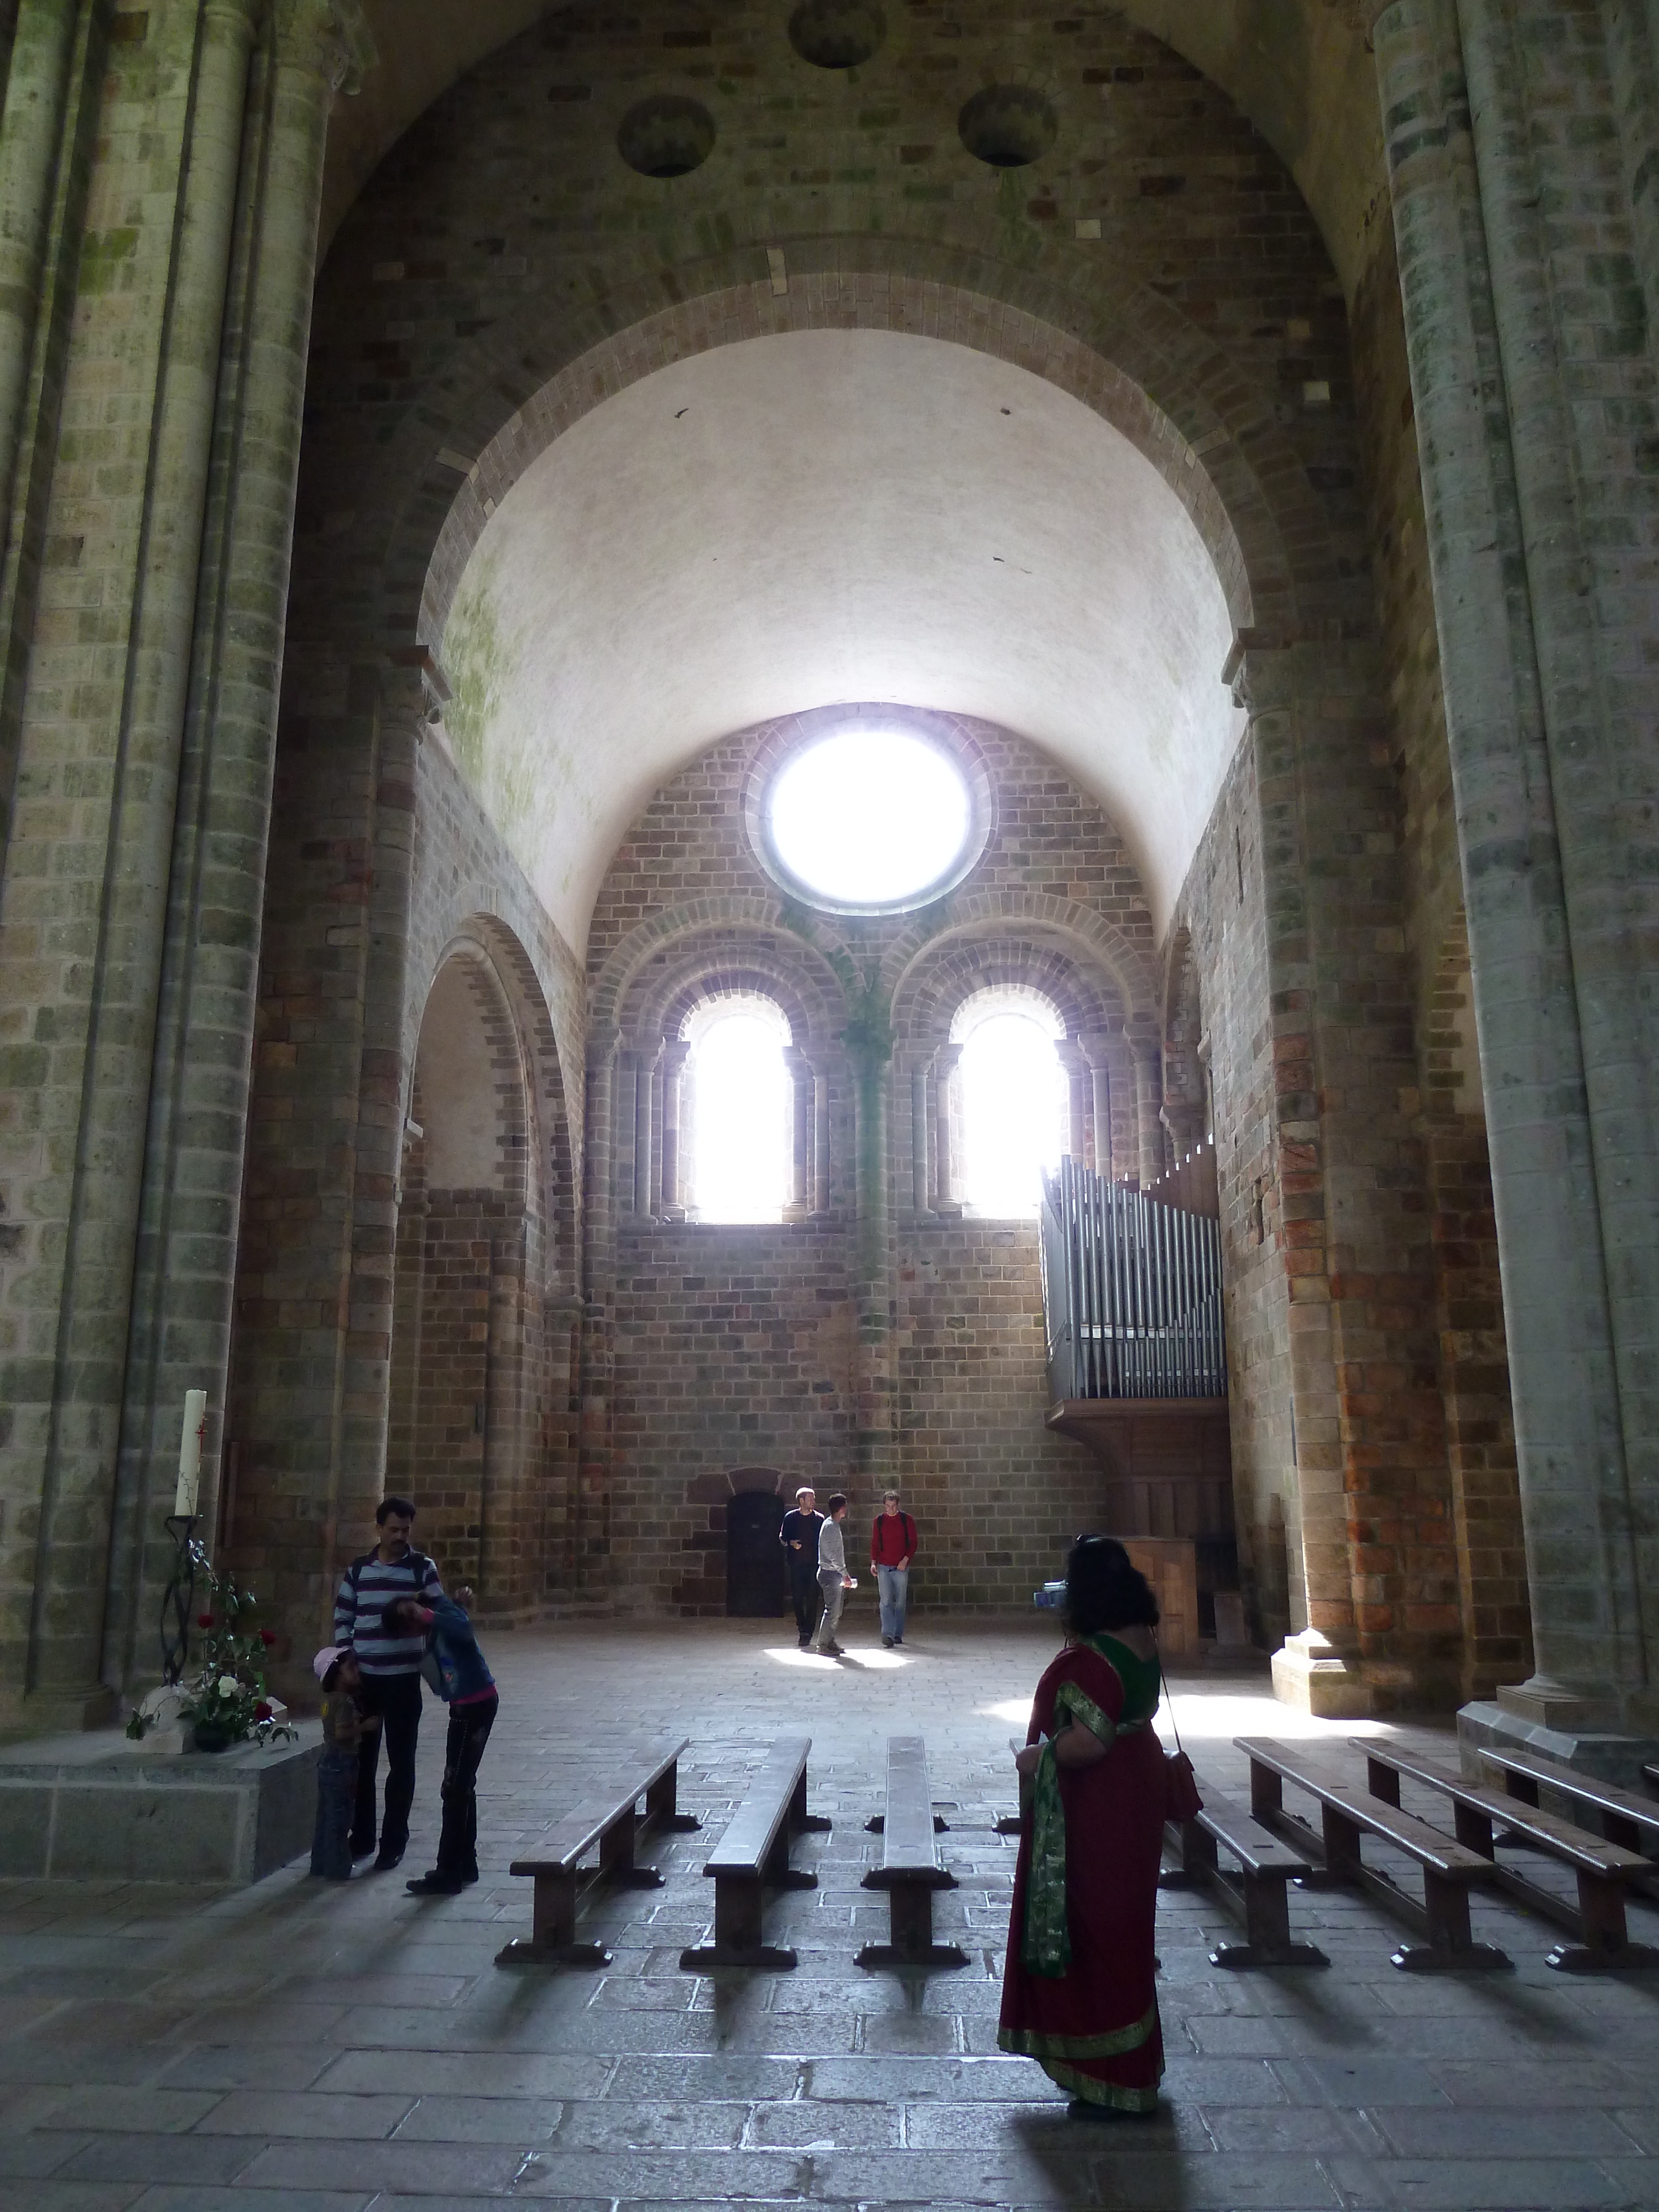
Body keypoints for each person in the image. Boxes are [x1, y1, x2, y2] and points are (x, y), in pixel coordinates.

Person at [998, 1535, 1168, 2118]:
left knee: (1097, 1929)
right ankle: (1131, 2067)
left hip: (1102, 1803)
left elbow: (1088, 1742)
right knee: (1128, 1926)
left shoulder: (1094, 1658)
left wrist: (1037, 1758)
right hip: (1137, 1791)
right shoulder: (1142, 1640)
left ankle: (1107, 2075)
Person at [333, 1495, 444, 1872]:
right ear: (379, 1528)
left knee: (401, 1762)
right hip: (366, 1682)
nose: (400, 1536)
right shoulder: (359, 1569)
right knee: (363, 1764)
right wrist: (348, 1658)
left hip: (403, 1681)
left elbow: (438, 1616)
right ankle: (361, 1836)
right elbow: (343, 1615)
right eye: (393, 1529)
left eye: (406, 1530)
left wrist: (420, 1617)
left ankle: (393, 1841)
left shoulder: (421, 1568)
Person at [382, 1584, 498, 1896]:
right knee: (461, 1785)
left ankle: (449, 1872)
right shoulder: (434, 1628)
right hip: (464, 1708)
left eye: (410, 1617)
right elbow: (443, 1680)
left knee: (455, 1788)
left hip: (476, 1706)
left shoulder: (442, 1612)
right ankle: (464, 1863)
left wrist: (430, 1614)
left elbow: (464, 1630)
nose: (413, 1625)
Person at [309, 1645, 379, 1880]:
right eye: (351, 1668)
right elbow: (342, 1733)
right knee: (340, 1819)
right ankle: (338, 1869)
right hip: (342, 1762)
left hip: (328, 1759)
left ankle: (320, 1864)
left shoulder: (330, 1700)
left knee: (325, 1816)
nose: (357, 1672)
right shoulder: (346, 1704)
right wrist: (365, 1727)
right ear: (337, 1675)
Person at [869, 1489, 917, 1648]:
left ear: (898, 1505)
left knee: (900, 1602)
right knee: (885, 1601)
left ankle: (897, 1633)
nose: (890, 1509)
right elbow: (875, 1543)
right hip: (884, 1565)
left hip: (901, 1567)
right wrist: (873, 1563)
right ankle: (888, 1634)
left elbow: (913, 1542)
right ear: (884, 1505)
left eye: (893, 1506)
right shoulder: (879, 1521)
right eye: (888, 1506)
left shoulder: (906, 1520)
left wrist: (905, 1559)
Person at [779, 1486, 826, 1647]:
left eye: (814, 1499)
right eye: (810, 1499)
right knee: (798, 1599)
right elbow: (783, 1538)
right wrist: (792, 1543)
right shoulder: (791, 1518)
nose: (813, 1502)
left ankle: (808, 1632)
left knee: (812, 1599)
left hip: (814, 1565)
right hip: (797, 1565)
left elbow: (824, 1541)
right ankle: (802, 1628)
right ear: (801, 1501)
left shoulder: (819, 1519)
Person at [811, 1493, 854, 1656]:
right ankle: (822, 1645)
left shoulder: (832, 1525)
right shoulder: (830, 1527)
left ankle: (830, 1641)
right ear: (842, 1508)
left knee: (837, 1611)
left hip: (833, 1573)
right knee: (832, 1611)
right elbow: (834, 1555)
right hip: (830, 1574)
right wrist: (845, 1574)